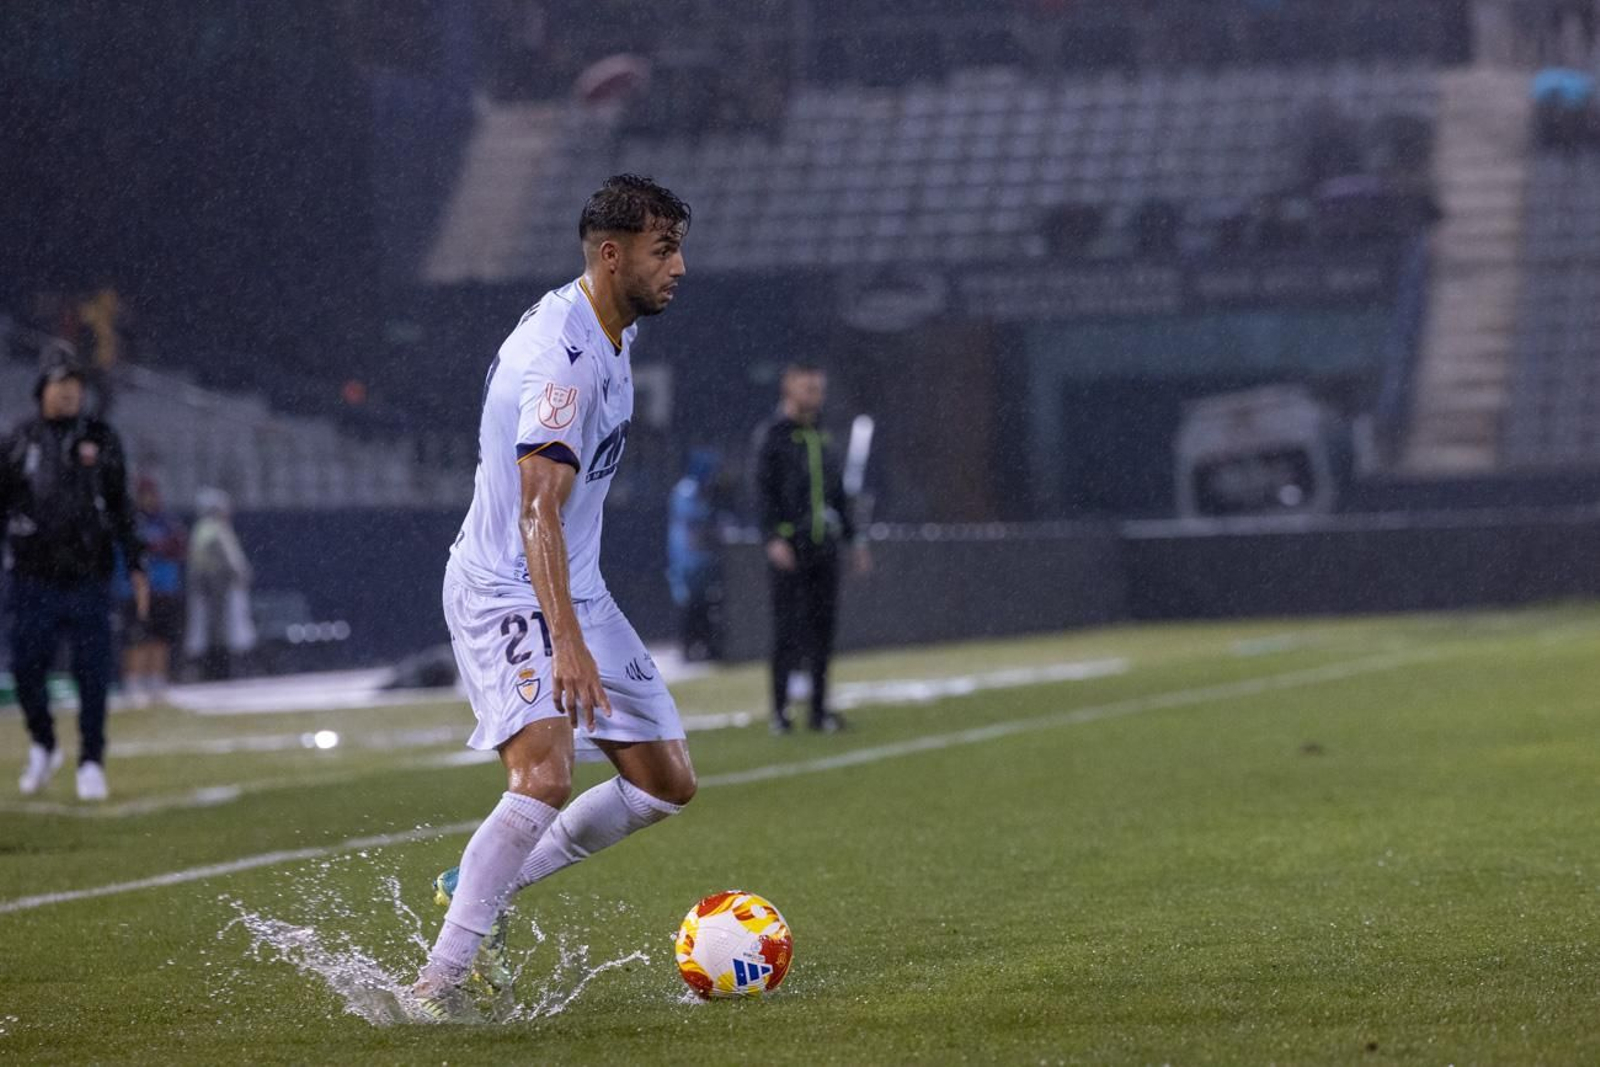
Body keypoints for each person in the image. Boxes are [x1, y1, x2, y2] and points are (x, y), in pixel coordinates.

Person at [414, 174, 695, 1022]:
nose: (679, 267)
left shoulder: (613, 327)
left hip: (574, 586)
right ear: (611, 257)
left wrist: (576, 616)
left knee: (663, 783)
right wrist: (564, 641)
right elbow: (539, 506)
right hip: (507, 587)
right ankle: (439, 981)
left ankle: (474, 884)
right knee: (542, 773)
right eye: (663, 251)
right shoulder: (561, 359)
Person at [0, 351, 147, 800]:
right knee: (26, 670)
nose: (69, 391)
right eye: (60, 382)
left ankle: (91, 761)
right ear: (41, 388)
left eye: (75, 383)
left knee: (92, 674)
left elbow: (121, 505)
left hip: (88, 577)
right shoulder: (18, 441)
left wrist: (136, 563)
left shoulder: (100, 438)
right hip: (32, 578)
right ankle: (44, 743)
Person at [751, 363, 870, 735]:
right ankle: (780, 713)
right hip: (791, 547)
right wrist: (773, 537)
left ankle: (819, 711)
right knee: (786, 631)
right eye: (808, 388)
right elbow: (761, 491)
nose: (815, 396)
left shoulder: (822, 436)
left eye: (818, 389)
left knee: (822, 631)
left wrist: (854, 541)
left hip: (824, 547)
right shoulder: (773, 436)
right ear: (789, 389)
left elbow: (838, 495)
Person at [116, 476, 186, 706]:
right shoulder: (131, 521)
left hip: (163, 589)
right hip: (136, 590)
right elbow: (132, 548)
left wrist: (159, 547)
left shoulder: (166, 521)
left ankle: (157, 681)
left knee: (160, 637)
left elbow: (177, 547)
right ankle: (134, 683)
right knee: (136, 638)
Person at [183, 488, 255, 681]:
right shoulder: (213, 528)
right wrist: (240, 575)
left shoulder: (204, 528)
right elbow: (230, 560)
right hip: (218, 588)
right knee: (221, 631)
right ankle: (222, 670)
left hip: (211, 588)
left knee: (214, 631)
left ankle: (216, 669)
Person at [665, 448, 725, 662]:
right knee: (689, 605)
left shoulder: (702, 490)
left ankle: (704, 646)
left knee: (704, 605)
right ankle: (688, 648)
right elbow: (696, 521)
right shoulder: (686, 491)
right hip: (686, 560)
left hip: (701, 560)